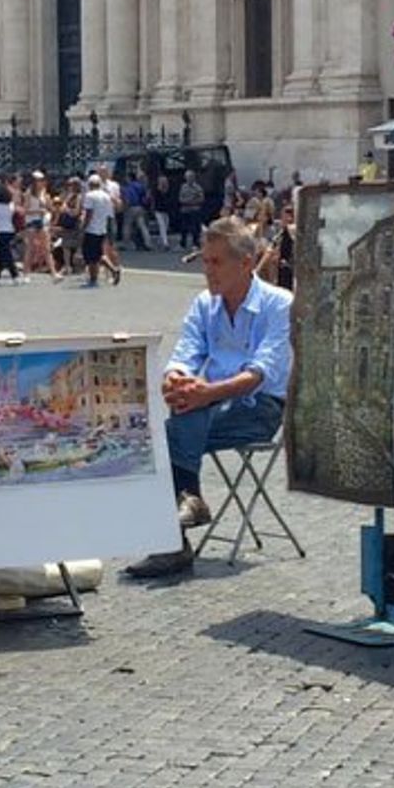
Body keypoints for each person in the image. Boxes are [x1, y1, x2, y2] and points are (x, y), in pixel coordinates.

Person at [126, 217, 293, 578]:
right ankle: (189, 504)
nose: (207, 271)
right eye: (204, 261)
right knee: (182, 415)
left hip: (260, 407)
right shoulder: (206, 304)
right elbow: (186, 353)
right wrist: (176, 380)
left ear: (246, 264)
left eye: (216, 262)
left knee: (176, 427)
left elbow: (258, 374)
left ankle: (177, 536)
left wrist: (203, 394)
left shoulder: (278, 305)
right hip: (212, 403)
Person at [21, 172, 62, 280]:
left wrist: (54, 209)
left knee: (46, 248)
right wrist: (38, 211)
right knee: (31, 248)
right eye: (40, 180)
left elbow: (49, 207)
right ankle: (26, 274)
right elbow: (25, 211)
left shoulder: (44, 193)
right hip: (32, 221)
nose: (43, 182)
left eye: (43, 180)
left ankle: (54, 274)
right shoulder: (29, 193)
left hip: (42, 222)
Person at [81, 174, 115, 287]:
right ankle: (113, 270)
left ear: (90, 185)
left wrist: (83, 226)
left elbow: (89, 213)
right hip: (102, 228)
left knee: (91, 256)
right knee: (98, 254)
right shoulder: (106, 196)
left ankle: (93, 278)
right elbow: (110, 214)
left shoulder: (90, 196)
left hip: (92, 229)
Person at [0, 179, 21, 283]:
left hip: (0, 230)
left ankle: (14, 275)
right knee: (2, 253)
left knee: (5, 253)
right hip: (10, 229)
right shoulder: (10, 203)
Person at [122, 169, 152, 251]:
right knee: (143, 226)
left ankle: (126, 244)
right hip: (140, 207)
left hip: (130, 208)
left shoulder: (127, 187)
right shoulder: (140, 186)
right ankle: (148, 243)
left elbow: (127, 199)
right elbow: (145, 196)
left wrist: (124, 208)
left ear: (129, 178)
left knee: (127, 226)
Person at [178, 169, 205, 250]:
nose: (189, 178)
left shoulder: (198, 187)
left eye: (190, 177)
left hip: (194, 210)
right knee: (183, 228)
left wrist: (192, 202)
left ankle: (195, 244)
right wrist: (188, 201)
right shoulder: (183, 186)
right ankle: (183, 244)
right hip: (185, 210)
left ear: (194, 178)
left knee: (195, 228)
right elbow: (180, 198)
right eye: (187, 177)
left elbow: (201, 199)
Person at [151, 172, 173, 252]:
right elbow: (154, 200)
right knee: (162, 226)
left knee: (166, 226)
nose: (163, 183)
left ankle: (160, 241)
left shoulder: (169, 190)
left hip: (166, 210)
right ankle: (165, 243)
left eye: (165, 181)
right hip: (158, 210)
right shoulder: (156, 190)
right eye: (162, 181)